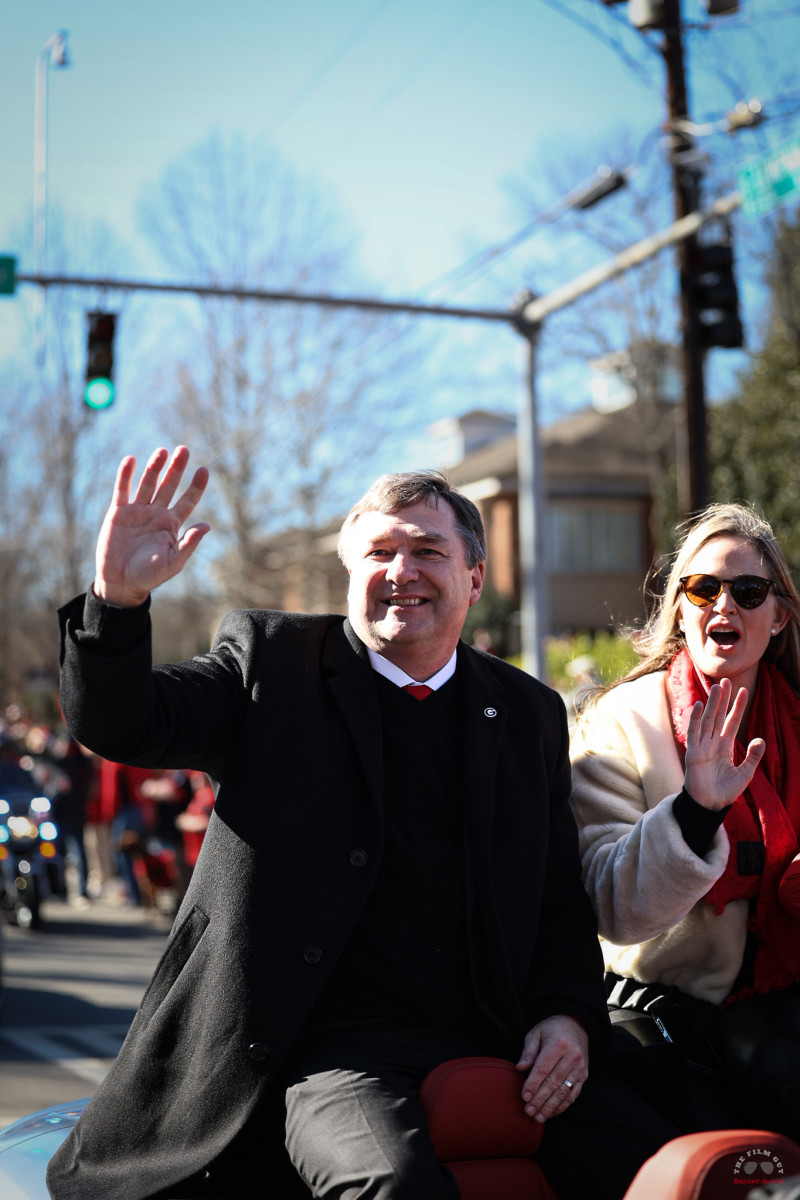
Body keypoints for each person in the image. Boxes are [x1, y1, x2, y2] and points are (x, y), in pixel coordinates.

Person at [47, 446, 674, 1200]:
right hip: (331, 1053)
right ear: (351, 571)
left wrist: (566, 1017)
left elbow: (556, 899)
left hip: (498, 1038)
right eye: (379, 551)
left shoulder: (528, 711)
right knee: (392, 1188)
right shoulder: (269, 666)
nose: (401, 569)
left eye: (427, 550)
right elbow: (123, 724)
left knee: (677, 1166)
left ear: (475, 578)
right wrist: (115, 601)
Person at [569, 501, 800, 1138]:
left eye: (749, 591)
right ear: (680, 608)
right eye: (703, 588)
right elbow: (612, 905)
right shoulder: (619, 721)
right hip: (671, 1007)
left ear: (779, 617)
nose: (723, 605)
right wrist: (697, 812)